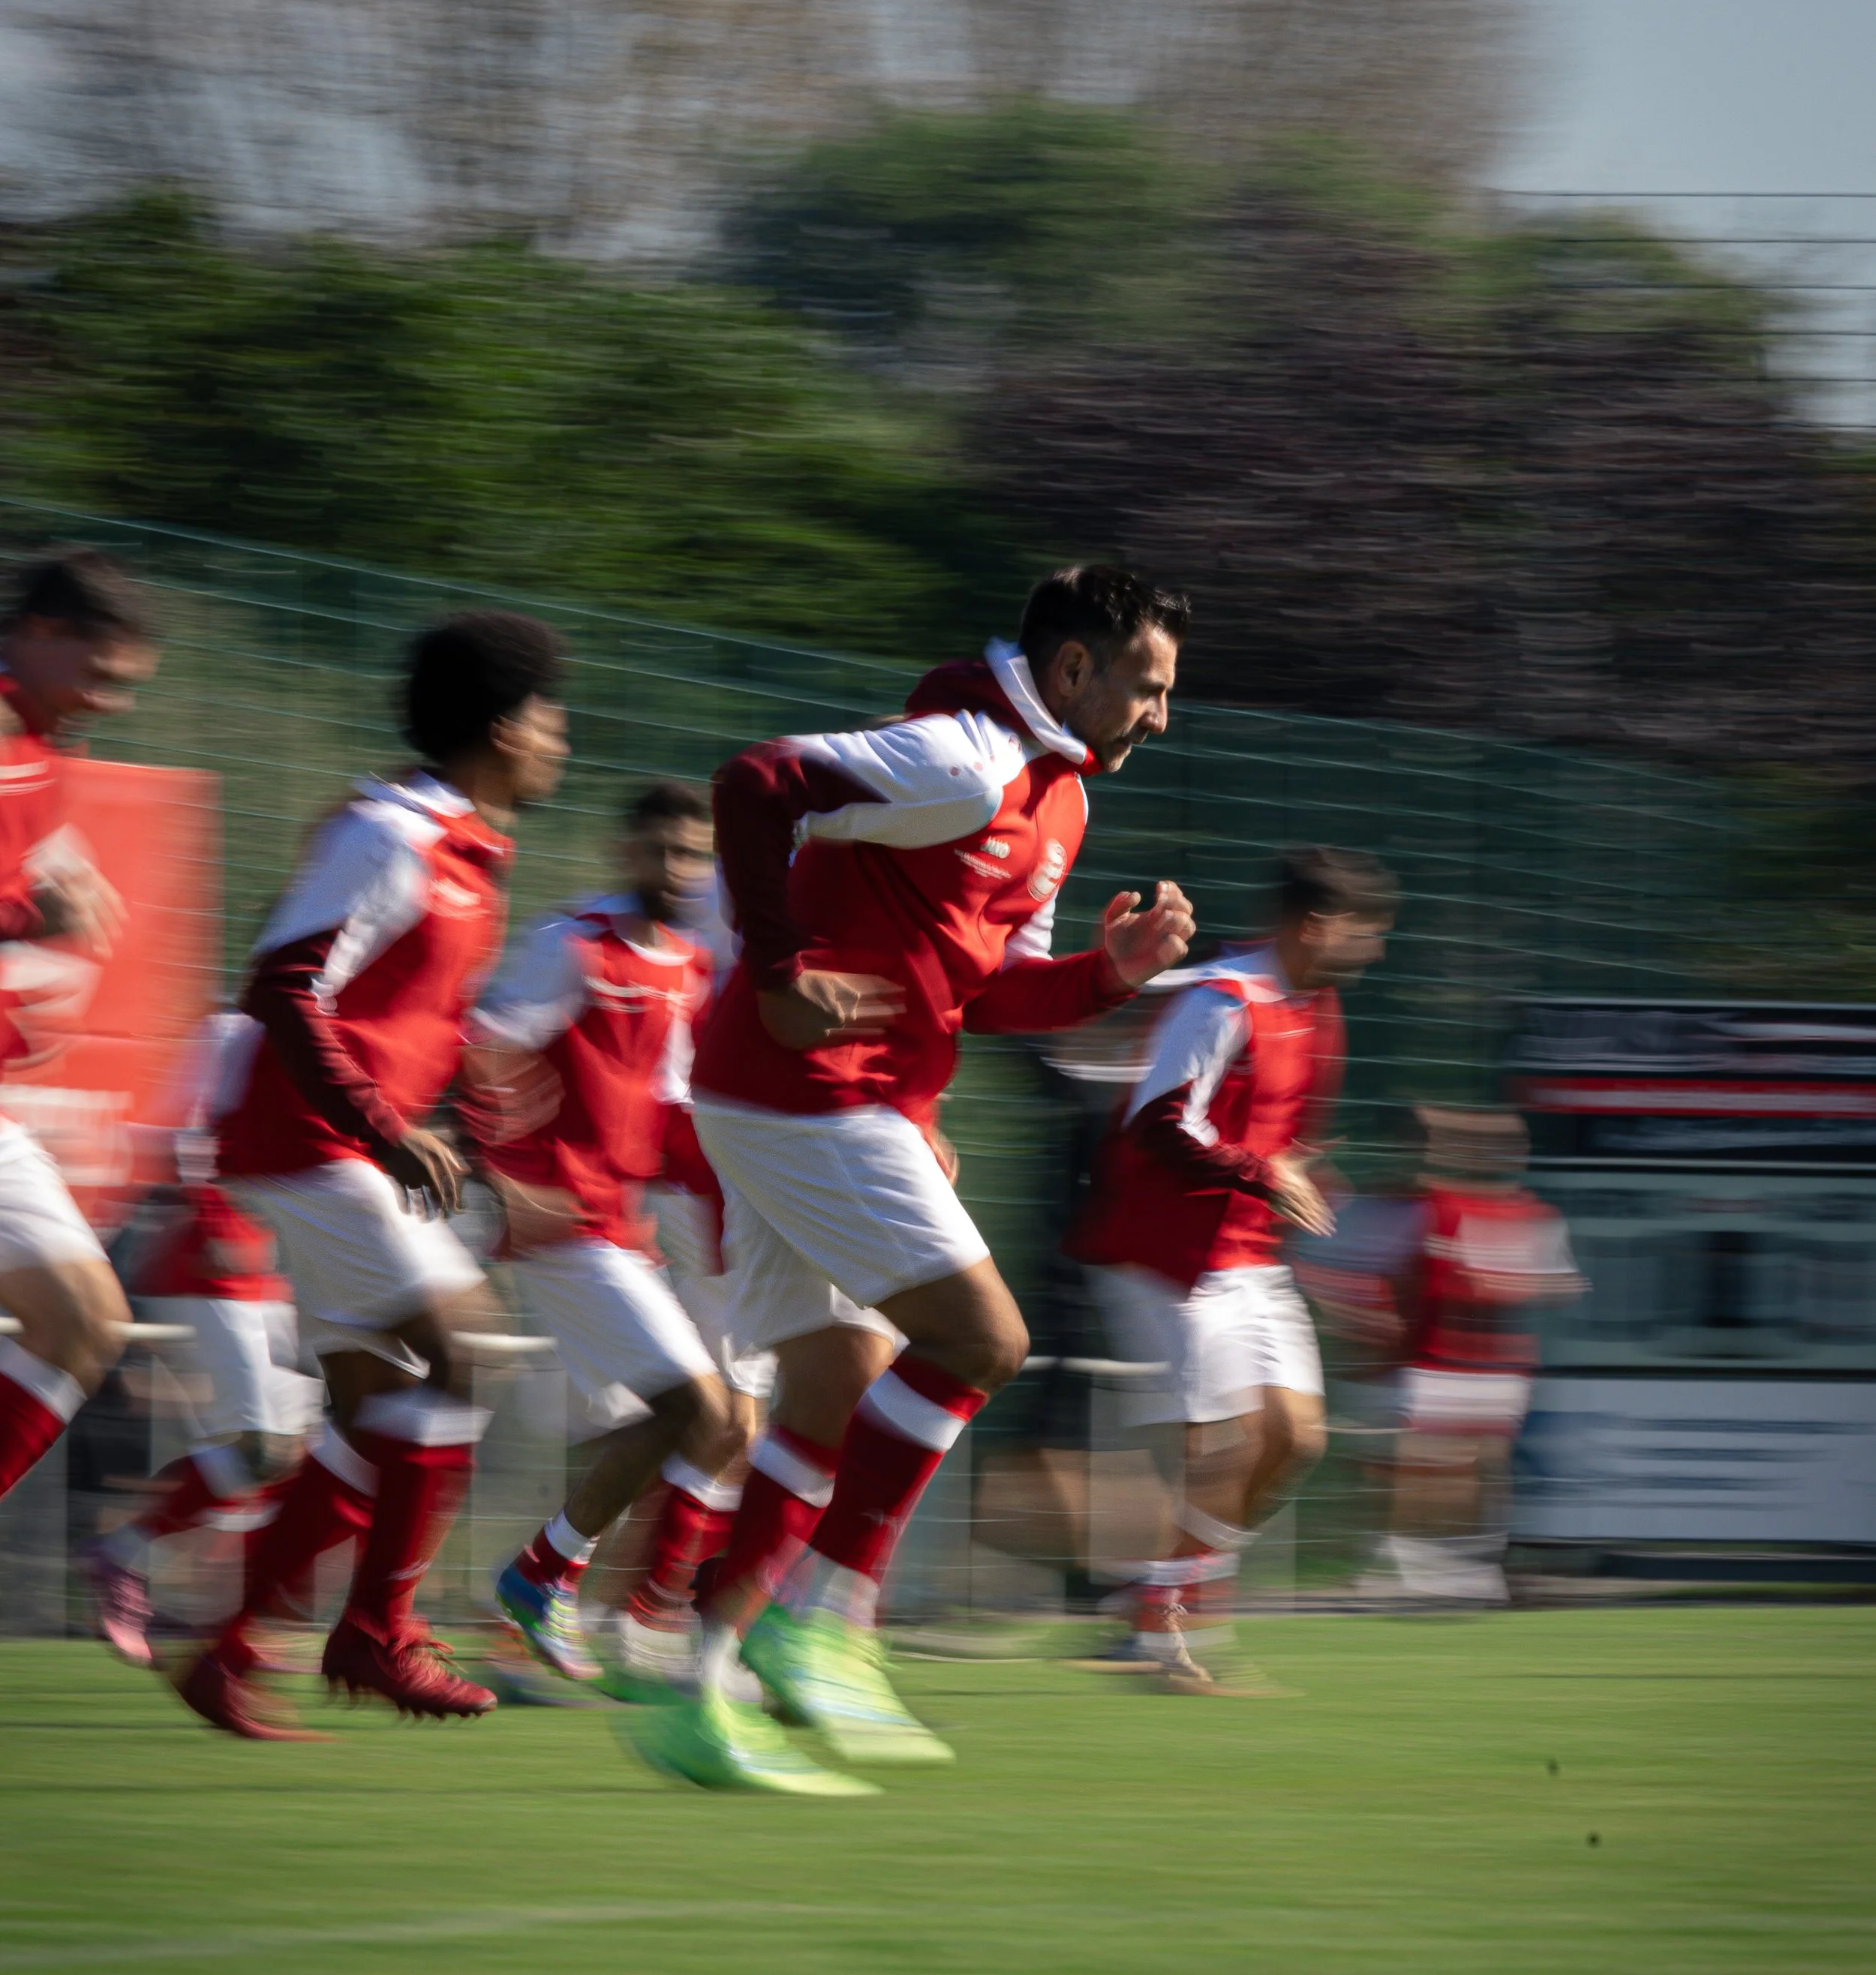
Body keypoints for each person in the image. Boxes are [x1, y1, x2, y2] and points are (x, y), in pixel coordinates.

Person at [629, 562, 1197, 1794]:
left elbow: (987, 988)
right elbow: (755, 783)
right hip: (808, 1094)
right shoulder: (964, 757)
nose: (1159, 715)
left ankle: (700, 1687)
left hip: (817, 1101)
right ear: (1074, 672)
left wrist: (1111, 975)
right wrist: (778, 975)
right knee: (983, 1340)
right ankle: (824, 1612)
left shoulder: (1062, 801)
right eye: (1147, 689)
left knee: (835, 1388)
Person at [171, 610, 567, 1739]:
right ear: (501, 727)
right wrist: (388, 1126)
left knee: (381, 1404)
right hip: (313, 1146)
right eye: (549, 717)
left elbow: (395, 1014)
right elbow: (286, 984)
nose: (561, 740)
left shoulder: (461, 853)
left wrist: (481, 1116)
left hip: (343, 1148)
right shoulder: (387, 835)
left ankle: (234, 1648)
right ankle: (375, 1631)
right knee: (466, 1353)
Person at [1070, 846, 1396, 1688]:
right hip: (1167, 1257)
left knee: (1294, 1440)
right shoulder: (1222, 1000)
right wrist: (1264, 1172)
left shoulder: (1316, 1008)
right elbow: (1154, 1123)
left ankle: (1158, 1597)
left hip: (1247, 1256)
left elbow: (1273, 1141)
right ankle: (1160, 1624)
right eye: (1366, 932)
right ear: (1316, 925)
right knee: (1225, 1447)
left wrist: (1300, 1173)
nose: (1375, 950)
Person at [466, 781, 740, 1685]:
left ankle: (525, 1624)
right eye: (659, 849)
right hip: (563, 1224)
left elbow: (664, 1107)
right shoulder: (573, 942)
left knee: (649, 1432)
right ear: (626, 852)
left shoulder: (690, 965)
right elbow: (482, 1046)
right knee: (702, 1411)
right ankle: (542, 1582)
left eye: (691, 853)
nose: (675, 869)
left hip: (623, 1229)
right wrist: (509, 1181)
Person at [0, 547, 158, 1512]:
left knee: (86, 1321)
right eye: (102, 677)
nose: (112, 703)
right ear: (44, 633)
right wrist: (27, 915)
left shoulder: (44, 751)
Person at [85, 1117, 317, 1667]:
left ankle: (235, 1624)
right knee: (257, 1449)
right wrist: (202, 1206)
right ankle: (121, 1556)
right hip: (206, 1268)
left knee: (293, 1458)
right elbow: (160, 1131)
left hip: (267, 1268)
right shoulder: (218, 1038)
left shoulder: (301, 1049)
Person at [1370, 1107, 1582, 1604]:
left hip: (1501, 1363)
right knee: (1425, 1467)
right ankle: (1410, 1567)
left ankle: (1477, 1569)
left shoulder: (1535, 1213)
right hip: (1436, 1357)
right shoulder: (1436, 1206)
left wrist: (1509, 1283)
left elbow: (1565, 1283)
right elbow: (1393, 1272)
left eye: (1504, 1145)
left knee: (1486, 1467)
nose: (1490, 1153)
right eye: (1478, 1143)